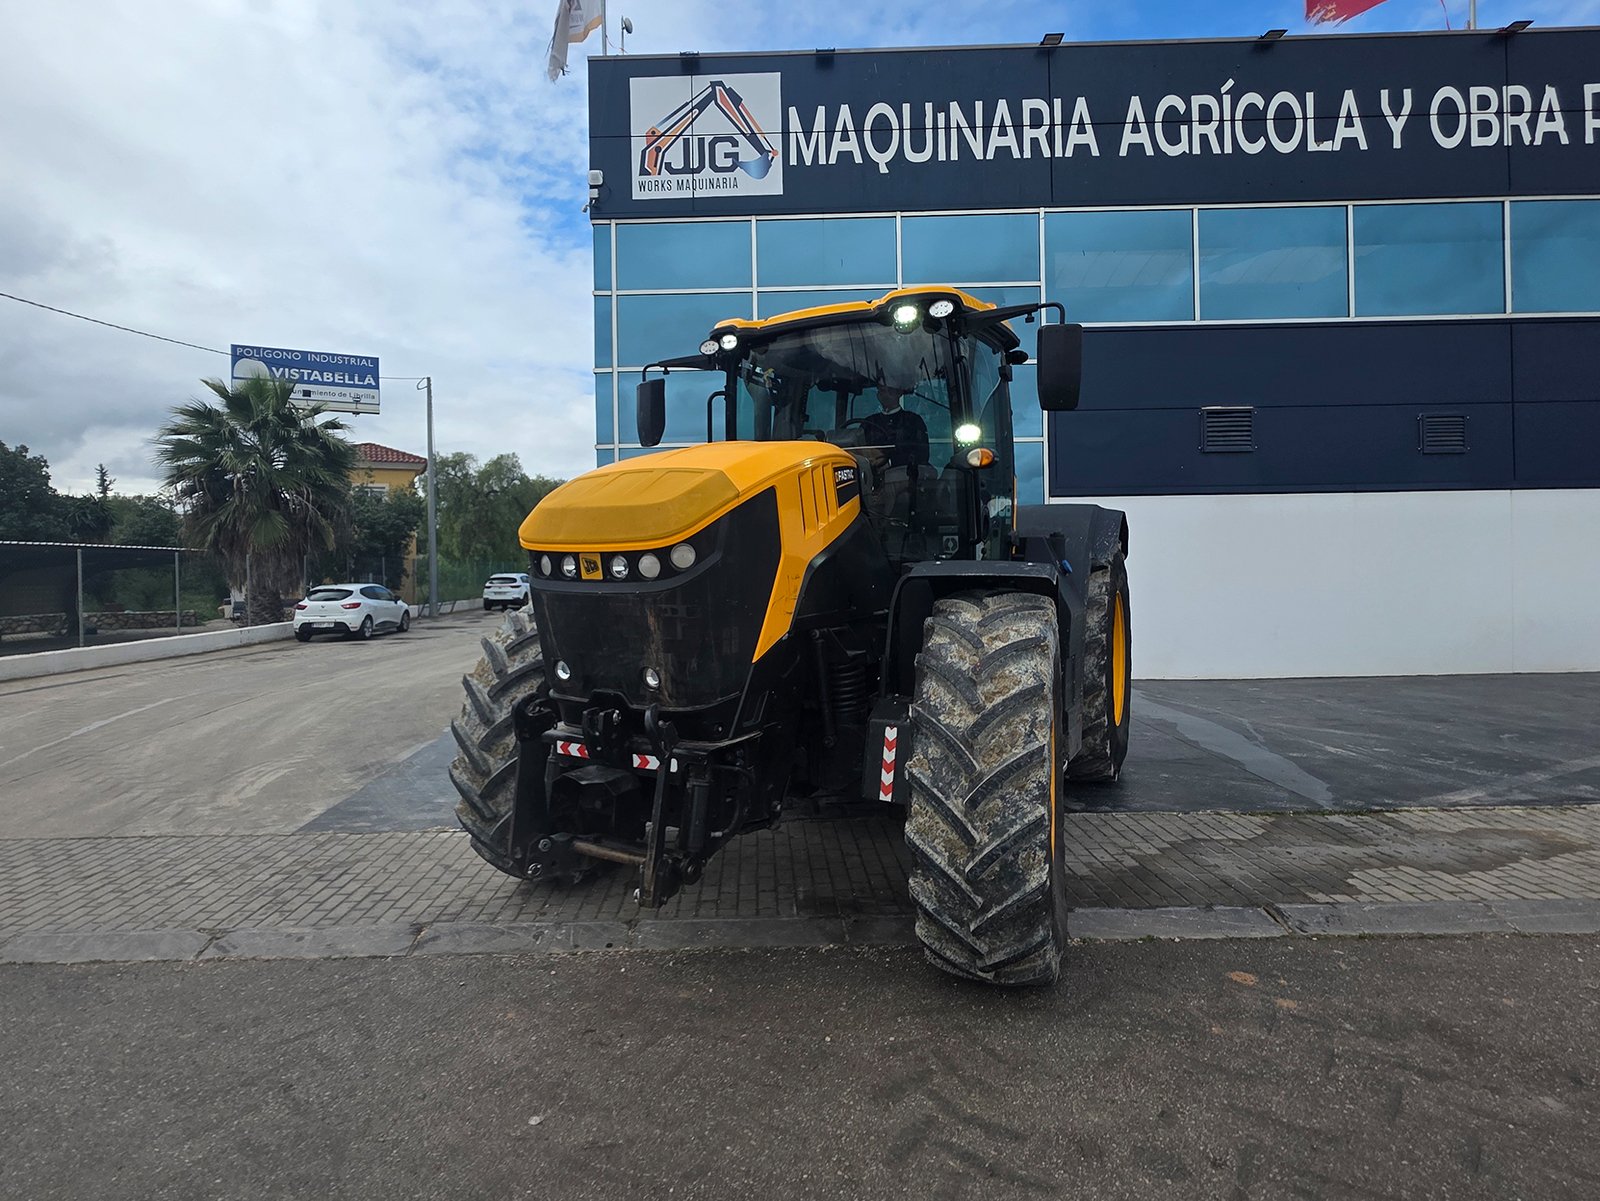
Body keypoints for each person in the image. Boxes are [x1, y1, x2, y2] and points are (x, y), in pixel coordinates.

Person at [861, 385, 929, 472]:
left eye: (890, 390)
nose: (885, 394)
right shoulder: (868, 423)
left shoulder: (913, 421)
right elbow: (859, 450)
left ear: (899, 393)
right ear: (878, 394)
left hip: (905, 477)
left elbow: (922, 454)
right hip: (870, 477)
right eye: (882, 390)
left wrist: (889, 462)